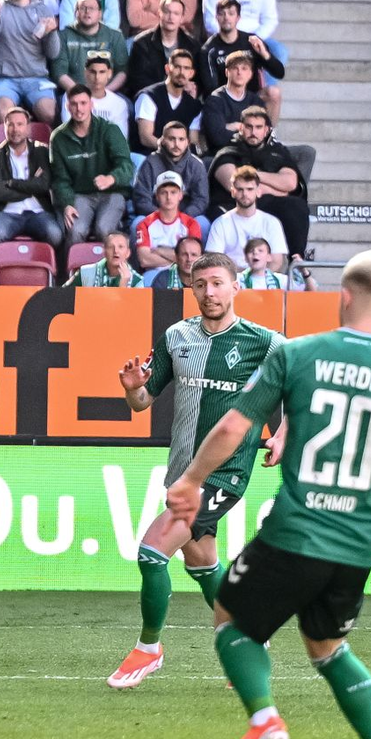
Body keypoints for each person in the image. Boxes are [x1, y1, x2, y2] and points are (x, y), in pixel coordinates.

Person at [166, 250, 371, 739]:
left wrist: (190, 480)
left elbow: (235, 426)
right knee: (327, 647)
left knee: (232, 619)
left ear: (344, 296)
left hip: (298, 529)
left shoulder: (299, 354)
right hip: (361, 543)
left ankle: (263, 719)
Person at [109, 250, 283, 685]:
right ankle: (247, 634)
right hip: (182, 472)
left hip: (226, 473)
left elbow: (301, 390)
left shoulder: (266, 342)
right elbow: (143, 402)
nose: (209, 292)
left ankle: (149, 648)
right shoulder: (177, 336)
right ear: (191, 288)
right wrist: (131, 389)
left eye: (218, 283)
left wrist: (282, 434)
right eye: (200, 284)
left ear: (236, 286)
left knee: (152, 553)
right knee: (202, 562)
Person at [208, 105, 306, 255]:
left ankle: (296, 260)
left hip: (269, 204)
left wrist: (255, 175)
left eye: (258, 127)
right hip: (234, 204)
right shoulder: (228, 150)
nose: (253, 132)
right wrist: (278, 189)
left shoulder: (277, 152)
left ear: (266, 130)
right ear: (241, 128)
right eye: (249, 127)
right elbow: (232, 183)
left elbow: (290, 183)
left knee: (296, 206)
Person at [50, 84, 132, 245]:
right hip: (80, 194)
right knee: (75, 230)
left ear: (91, 105)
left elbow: (126, 165)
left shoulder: (109, 130)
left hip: (112, 193)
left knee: (104, 229)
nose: (79, 109)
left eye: (83, 103)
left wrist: (112, 178)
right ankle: (72, 263)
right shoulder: (59, 137)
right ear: (67, 107)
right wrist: (67, 204)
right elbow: (60, 179)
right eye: (74, 104)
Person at [0, 107, 61, 248]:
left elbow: (43, 184)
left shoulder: (41, 151)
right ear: (4, 127)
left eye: (20, 124)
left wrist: (12, 183)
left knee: (55, 235)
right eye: (10, 125)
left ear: (28, 128)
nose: (15, 129)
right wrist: (31, 188)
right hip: (7, 212)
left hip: (38, 211)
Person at [205, 164, 288, 270]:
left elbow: (276, 262)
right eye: (240, 189)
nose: (245, 194)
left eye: (250, 189)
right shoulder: (220, 223)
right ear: (233, 192)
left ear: (258, 191)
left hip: (264, 278)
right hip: (231, 278)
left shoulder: (271, 222)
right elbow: (214, 261)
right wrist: (244, 276)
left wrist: (256, 277)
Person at [50, 0, 127, 96]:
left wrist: (105, 92)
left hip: (109, 93)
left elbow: (122, 71)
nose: (87, 12)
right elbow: (59, 72)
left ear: (100, 14)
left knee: (127, 104)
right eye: (83, 8)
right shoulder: (63, 36)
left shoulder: (115, 36)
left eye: (92, 8)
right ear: (76, 13)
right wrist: (82, 93)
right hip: (74, 93)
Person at [134, 170, 201, 277]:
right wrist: (179, 259)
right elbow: (144, 260)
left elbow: (193, 259)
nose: (168, 197)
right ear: (157, 196)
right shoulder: (145, 224)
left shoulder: (191, 224)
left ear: (180, 195)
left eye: (173, 192)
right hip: (154, 273)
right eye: (163, 192)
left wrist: (159, 251)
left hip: (182, 274)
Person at [134, 47, 201, 153]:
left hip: (180, 157)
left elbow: (193, 141)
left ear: (191, 73)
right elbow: (145, 138)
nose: (181, 72)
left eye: (186, 68)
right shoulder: (149, 96)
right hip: (147, 155)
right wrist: (171, 150)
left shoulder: (194, 106)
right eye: (177, 67)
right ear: (167, 69)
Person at [63, 230, 144, 287]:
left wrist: (123, 286)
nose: (116, 251)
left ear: (128, 253)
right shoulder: (85, 272)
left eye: (120, 247)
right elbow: (62, 297)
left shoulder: (137, 282)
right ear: (104, 252)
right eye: (111, 247)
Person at [239, 235, 315, 292]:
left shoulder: (281, 280)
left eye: (260, 251)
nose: (255, 253)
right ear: (246, 258)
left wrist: (304, 271)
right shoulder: (237, 280)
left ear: (269, 257)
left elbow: (311, 293)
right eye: (251, 251)